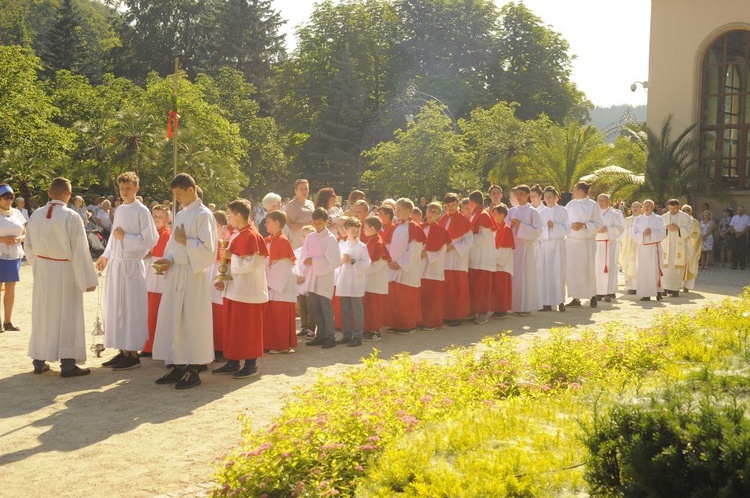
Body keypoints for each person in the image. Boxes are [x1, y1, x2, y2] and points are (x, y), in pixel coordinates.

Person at [25, 177, 98, 377]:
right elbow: (80, 250)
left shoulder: (36, 215)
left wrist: (39, 264)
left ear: (50, 192)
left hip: (43, 270)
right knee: (68, 315)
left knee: (43, 315)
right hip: (65, 270)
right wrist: (88, 280)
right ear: (68, 194)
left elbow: (28, 246)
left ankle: (39, 360)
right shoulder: (71, 216)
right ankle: (67, 363)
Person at [152, 173, 217, 389]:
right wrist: (168, 260)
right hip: (178, 272)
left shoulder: (203, 214)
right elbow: (173, 245)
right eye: (175, 195)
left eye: (179, 194)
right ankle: (179, 364)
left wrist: (186, 242)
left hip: (193, 273)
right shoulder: (180, 214)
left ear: (191, 190)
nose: (177, 198)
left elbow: (208, 250)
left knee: (192, 320)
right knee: (174, 319)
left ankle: (194, 367)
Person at [95, 172, 158, 371]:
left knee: (131, 308)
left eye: (128, 188)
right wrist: (106, 255)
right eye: (122, 188)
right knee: (116, 307)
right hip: (116, 264)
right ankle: (122, 349)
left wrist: (126, 238)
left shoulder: (142, 211)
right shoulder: (120, 209)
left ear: (136, 188)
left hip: (131, 265)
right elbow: (114, 237)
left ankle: (133, 354)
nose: (124, 192)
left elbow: (150, 240)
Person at [212, 199, 269, 378]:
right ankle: (233, 361)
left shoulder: (253, 236)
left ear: (238, 215)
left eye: (230, 214)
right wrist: (224, 278)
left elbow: (253, 264)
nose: (228, 217)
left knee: (248, 328)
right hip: (234, 288)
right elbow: (231, 259)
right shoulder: (238, 234)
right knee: (233, 327)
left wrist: (231, 256)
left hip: (247, 290)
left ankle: (251, 364)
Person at [300, 207, 341, 349]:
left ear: (326, 221)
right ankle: (321, 334)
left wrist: (315, 261)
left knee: (326, 308)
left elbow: (335, 260)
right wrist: (306, 261)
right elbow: (304, 253)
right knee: (315, 308)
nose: (316, 225)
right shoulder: (310, 237)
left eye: (319, 222)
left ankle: (330, 336)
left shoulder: (330, 239)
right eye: (315, 222)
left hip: (324, 277)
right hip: (312, 276)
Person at [387, 198, 426, 333]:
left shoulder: (414, 227)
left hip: (406, 269)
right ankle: (397, 323)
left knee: (406, 298)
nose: (396, 212)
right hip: (393, 266)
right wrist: (389, 261)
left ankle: (408, 325)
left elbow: (414, 249)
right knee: (395, 298)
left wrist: (401, 264)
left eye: (398, 210)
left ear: (408, 211)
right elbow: (388, 244)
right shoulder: (395, 226)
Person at [263, 210, 297, 354]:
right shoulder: (271, 239)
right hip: (272, 283)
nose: (266, 225)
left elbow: (283, 266)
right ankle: (272, 343)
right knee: (272, 316)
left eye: (268, 222)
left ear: (277, 223)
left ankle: (281, 345)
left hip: (279, 286)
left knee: (279, 316)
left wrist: (271, 283)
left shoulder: (282, 241)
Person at [565, 182, 602, 308]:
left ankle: (592, 296)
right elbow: (564, 220)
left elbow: (598, 224)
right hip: (572, 241)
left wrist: (584, 225)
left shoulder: (593, 205)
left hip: (586, 242)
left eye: (574, 189)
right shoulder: (570, 204)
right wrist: (571, 226)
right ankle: (575, 298)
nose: (573, 192)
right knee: (573, 270)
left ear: (581, 191)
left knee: (588, 269)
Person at [438, 193, 473, 326]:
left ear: (457, 204)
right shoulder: (442, 219)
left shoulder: (464, 221)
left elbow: (469, 241)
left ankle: (457, 315)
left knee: (458, 287)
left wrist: (455, 247)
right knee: (446, 287)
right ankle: (446, 314)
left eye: (453, 205)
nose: (450, 207)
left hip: (458, 259)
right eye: (448, 205)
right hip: (444, 258)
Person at [334, 218, 370, 346]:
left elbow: (366, 263)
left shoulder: (362, 246)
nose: (355, 233)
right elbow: (336, 262)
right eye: (352, 230)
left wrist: (353, 261)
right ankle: (346, 334)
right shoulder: (341, 245)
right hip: (344, 279)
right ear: (346, 231)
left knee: (357, 310)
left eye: (357, 230)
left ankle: (358, 336)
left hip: (356, 281)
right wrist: (342, 260)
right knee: (345, 309)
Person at [507, 185, 542, 315]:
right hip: (513, 248)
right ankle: (514, 306)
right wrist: (511, 224)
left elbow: (537, 231)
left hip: (526, 247)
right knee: (514, 277)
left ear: (528, 195)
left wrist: (521, 226)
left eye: (521, 194)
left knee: (525, 277)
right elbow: (505, 226)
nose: (519, 196)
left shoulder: (533, 211)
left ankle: (525, 307)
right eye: (517, 194)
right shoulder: (511, 211)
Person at [142, 204, 171, 356]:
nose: (156, 219)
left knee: (156, 313)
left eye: (160, 217)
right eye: (154, 216)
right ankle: (147, 345)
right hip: (148, 278)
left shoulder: (168, 235)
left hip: (160, 282)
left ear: (167, 219)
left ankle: (154, 346)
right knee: (148, 313)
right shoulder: (148, 232)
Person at [419, 202, 451, 330]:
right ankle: (421, 321)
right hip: (420, 266)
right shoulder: (420, 227)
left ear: (439, 215)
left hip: (433, 267)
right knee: (422, 295)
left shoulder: (441, 231)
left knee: (432, 295)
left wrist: (426, 254)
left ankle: (432, 322)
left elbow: (441, 251)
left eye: (434, 212)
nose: (430, 214)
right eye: (429, 210)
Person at [538, 187, 570, 311]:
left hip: (558, 245)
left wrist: (554, 227)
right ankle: (546, 302)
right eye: (546, 197)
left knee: (558, 272)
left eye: (550, 196)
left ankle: (560, 300)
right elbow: (539, 230)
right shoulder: (541, 213)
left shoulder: (563, 211)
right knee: (545, 273)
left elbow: (568, 228)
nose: (548, 199)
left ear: (556, 197)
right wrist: (546, 229)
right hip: (545, 246)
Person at [0, 184, 26, 331]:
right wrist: (2, 240)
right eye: (5, 197)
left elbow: (25, 232)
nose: (9, 200)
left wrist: (19, 239)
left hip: (13, 254)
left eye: (11, 197)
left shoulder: (17, 213)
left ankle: (8, 322)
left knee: (11, 287)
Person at [362, 216, 390, 341]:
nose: (363, 230)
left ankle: (375, 331)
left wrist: (362, 270)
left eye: (366, 227)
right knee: (368, 307)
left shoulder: (378, 243)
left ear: (373, 228)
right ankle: (368, 329)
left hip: (376, 282)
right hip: (369, 281)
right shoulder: (371, 241)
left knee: (375, 308)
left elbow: (378, 266)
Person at [631, 200, 666, 301]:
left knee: (655, 269)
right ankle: (645, 293)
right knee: (643, 270)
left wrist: (652, 233)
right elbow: (633, 234)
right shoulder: (638, 219)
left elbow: (663, 233)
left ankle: (658, 291)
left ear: (653, 207)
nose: (646, 208)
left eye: (649, 206)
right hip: (643, 248)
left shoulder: (659, 219)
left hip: (654, 248)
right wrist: (642, 234)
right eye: (645, 206)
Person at [660, 199, 693, 297]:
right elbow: (658, 229)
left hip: (680, 247)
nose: (672, 210)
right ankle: (664, 288)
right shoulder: (663, 217)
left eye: (674, 208)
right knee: (665, 267)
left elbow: (690, 229)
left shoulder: (686, 217)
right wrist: (666, 228)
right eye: (670, 208)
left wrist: (678, 229)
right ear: (668, 207)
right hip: (666, 246)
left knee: (676, 269)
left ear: (678, 207)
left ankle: (675, 289)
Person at [595, 194, 625, 302]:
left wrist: (607, 229)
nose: (601, 202)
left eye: (603, 200)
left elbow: (621, 228)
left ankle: (608, 291)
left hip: (610, 244)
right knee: (597, 268)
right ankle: (598, 291)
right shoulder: (593, 213)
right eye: (599, 200)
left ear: (609, 201)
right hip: (597, 244)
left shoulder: (615, 214)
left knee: (609, 267)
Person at [490, 204, 514, 317]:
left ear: (502, 215)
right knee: (496, 287)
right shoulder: (496, 228)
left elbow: (505, 249)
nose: (492, 216)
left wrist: (496, 260)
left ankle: (502, 309)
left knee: (501, 287)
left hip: (502, 264)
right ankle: (497, 309)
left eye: (494, 214)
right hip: (495, 262)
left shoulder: (506, 229)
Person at [294, 225, 317, 340]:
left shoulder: (314, 252)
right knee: (302, 307)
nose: (305, 238)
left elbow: (312, 267)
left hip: (309, 282)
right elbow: (295, 265)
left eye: (307, 236)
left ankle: (311, 328)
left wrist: (305, 277)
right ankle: (303, 326)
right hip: (300, 282)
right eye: (303, 236)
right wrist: (297, 276)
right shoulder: (298, 251)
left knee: (310, 306)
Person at [285, 179, 315, 250]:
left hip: (311, 239)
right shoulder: (291, 205)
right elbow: (290, 226)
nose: (304, 191)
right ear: (295, 191)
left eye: (306, 189)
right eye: (301, 189)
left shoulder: (311, 203)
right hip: (298, 240)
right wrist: (308, 224)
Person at [620, 202, 642, 294]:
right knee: (629, 264)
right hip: (629, 245)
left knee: (639, 265)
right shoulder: (627, 220)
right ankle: (630, 286)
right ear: (631, 209)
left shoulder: (643, 219)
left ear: (641, 208)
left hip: (640, 246)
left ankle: (640, 286)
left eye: (637, 207)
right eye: (633, 207)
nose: (635, 208)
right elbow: (622, 233)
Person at [681, 204, 701, 292]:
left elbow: (698, 235)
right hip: (680, 246)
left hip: (690, 246)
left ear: (691, 212)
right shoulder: (679, 221)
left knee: (690, 265)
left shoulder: (694, 222)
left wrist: (688, 235)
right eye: (684, 210)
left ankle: (687, 286)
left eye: (687, 210)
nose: (686, 212)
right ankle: (677, 285)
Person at [729, 205, 749, 270]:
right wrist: (736, 233)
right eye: (739, 210)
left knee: (742, 250)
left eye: (741, 210)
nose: (740, 211)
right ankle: (734, 265)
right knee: (734, 250)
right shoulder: (734, 217)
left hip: (742, 235)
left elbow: (748, 227)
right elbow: (731, 226)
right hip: (734, 235)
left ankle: (742, 265)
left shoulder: (747, 218)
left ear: (743, 210)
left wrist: (740, 234)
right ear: (737, 210)